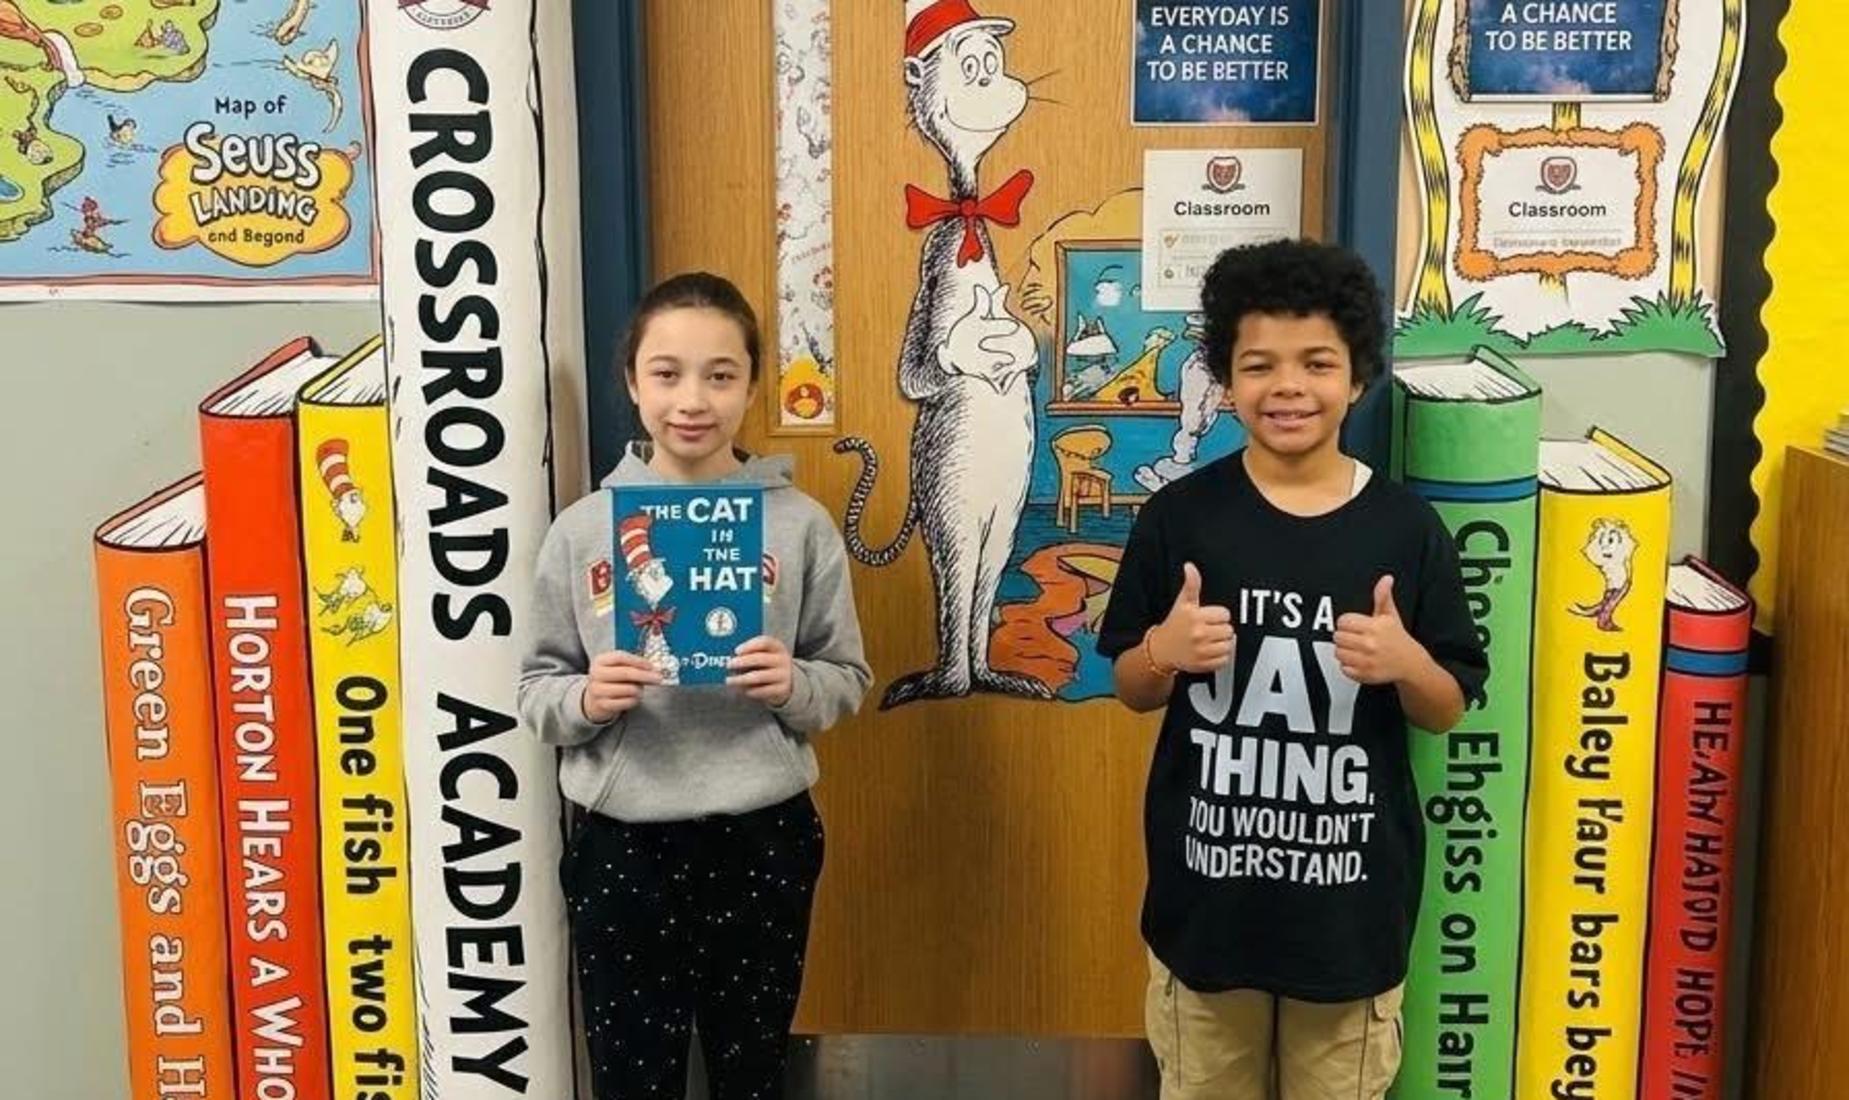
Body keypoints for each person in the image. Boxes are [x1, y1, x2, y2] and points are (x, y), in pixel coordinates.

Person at [1096, 239, 1489, 1100]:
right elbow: (1130, 686)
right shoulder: (1179, 518)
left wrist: (1405, 661)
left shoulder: (1406, 530)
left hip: (1347, 922)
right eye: (1258, 365)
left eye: (1316, 363)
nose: (1287, 387)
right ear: (1224, 381)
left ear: (1358, 376)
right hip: (1206, 916)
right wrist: (1163, 651)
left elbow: (1445, 707)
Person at [518, 272, 871, 1099]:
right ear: (631, 383)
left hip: (762, 834)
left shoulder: (799, 525)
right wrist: (584, 699)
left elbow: (846, 676)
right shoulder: (582, 531)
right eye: (666, 373)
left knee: (751, 1066)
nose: (692, 400)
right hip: (624, 843)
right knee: (632, 1073)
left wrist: (793, 684)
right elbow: (536, 689)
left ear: (750, 386)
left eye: (719, 375)